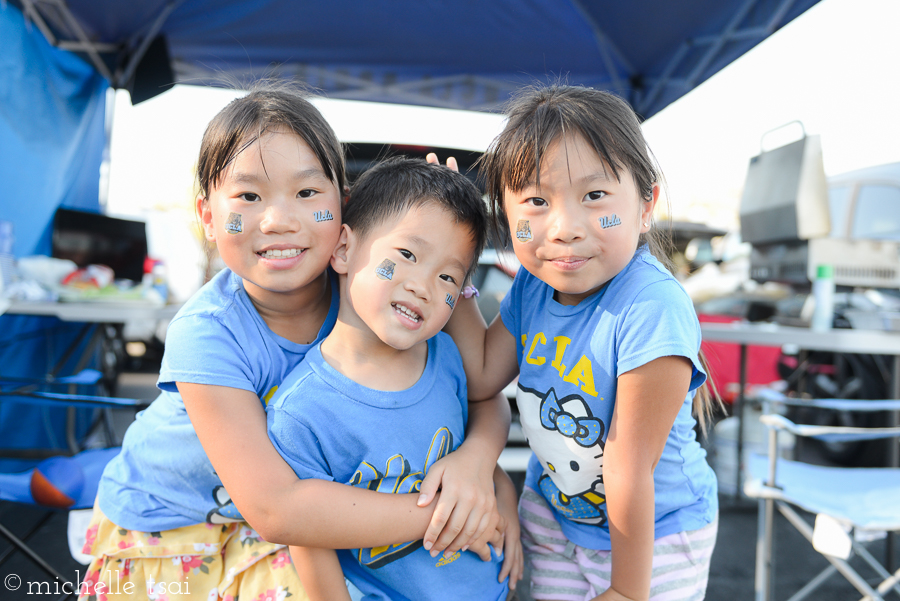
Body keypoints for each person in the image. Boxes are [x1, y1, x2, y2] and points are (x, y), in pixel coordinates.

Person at [79, 84, 511, 601]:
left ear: (345, 210)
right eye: (248, 195)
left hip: (287, 525)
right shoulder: (208, 334)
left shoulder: (372, 292)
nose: (279, 219)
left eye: (307, 194)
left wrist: (476, 465)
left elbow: (480, 385)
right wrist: (450, 514)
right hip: (173, 529)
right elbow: (277, 509)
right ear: (207, 217)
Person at [445, 85, 720, 601]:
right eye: (536, 201)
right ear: (504, 216)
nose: (565, 228)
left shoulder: (650, 307)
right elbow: (482, 374)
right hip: (554, 517)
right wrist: (451, 259)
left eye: (594, 196)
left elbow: (628, 470)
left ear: (645, 204)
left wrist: (628, 592)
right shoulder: (533, 285)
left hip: (655, 534)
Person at [266, 156, 523, 600]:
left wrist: (497, 490)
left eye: (448, 276)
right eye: (406, 255)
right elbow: (310, 543)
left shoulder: (445, 357)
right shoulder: (301, 412)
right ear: (343, 249)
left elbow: (486, 404)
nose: (423, 286)